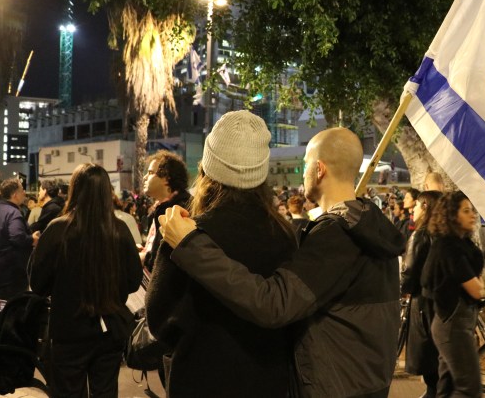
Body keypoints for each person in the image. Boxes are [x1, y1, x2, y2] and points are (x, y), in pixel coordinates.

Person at [160, 126, 405, 397]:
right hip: (362, 384)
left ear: (319, 169)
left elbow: (273, 304)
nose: (303, 172)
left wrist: (190, 245)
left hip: (336, 388)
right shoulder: (368, 227)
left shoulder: (337, 236)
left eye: (306, 164)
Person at [145, 110, 297, 397]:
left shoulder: (186, 234)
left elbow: (159, 317)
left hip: (199, 378)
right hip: (269, 378)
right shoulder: (285, 235)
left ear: (207, 171)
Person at [29, 163, 141, 398]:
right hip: (110, 328)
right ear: (106, 192)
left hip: (68, 329)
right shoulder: (119, 230)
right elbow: (133, 281)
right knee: (105, 391)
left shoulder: (58, 229)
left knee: (68, 391)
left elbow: (38, 284)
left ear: (74, 190)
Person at [421, 191, 485, 397]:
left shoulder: (461, 243)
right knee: (469, 388)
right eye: (466, 211)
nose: (473, 215)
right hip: (452, 326)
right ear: (452, 215)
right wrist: (484, 290)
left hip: (455, 323)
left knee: (448, 386)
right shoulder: (448, 247)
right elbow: (476, 289)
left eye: (473, 210)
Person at [401, 190, 444, 398]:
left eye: (417, 204)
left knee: (430, 369)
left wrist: (401, 290)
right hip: (442, 306)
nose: (413, 209)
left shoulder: (420, 235)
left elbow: (408, 273)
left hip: (423, 306)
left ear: (425, 207)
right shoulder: (443, 233)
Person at [0, 178, 37, 300]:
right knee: (12, 310)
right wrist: (32, 239)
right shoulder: (13, 213)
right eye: (22, 190)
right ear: (15, 195)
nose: (24, 193)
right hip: (11, 272)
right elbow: (17, 236)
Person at [140, 150, 191, 272]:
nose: (145, 177)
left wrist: (143, 258)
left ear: (166, 178)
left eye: (151, 172)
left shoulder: (179, 212)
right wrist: (146, 250)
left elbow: (165, 262)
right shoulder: (161, 209)